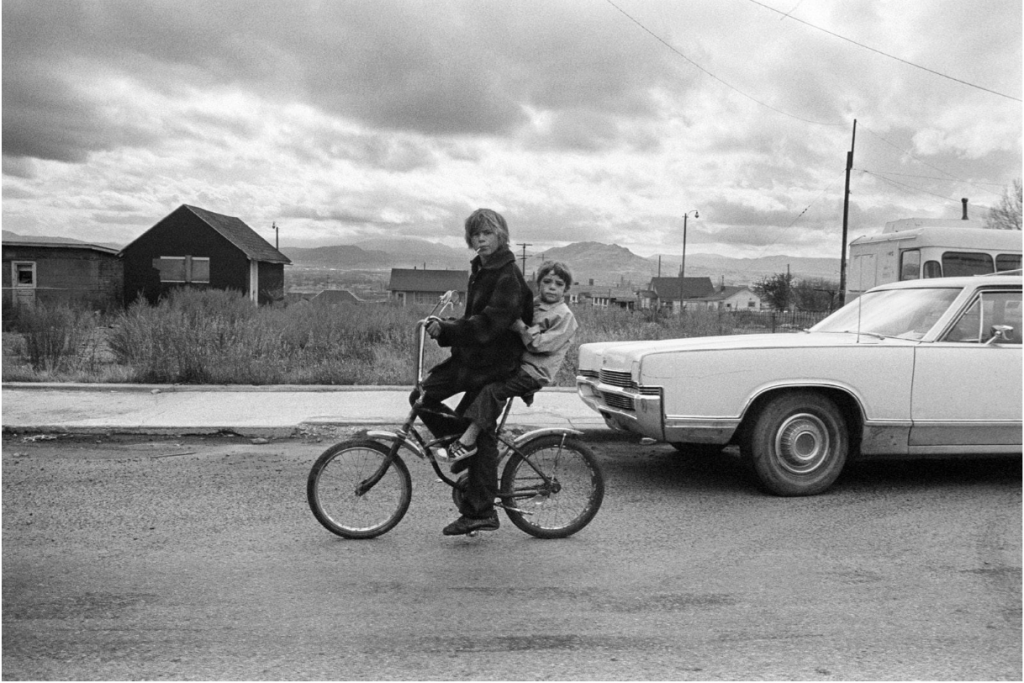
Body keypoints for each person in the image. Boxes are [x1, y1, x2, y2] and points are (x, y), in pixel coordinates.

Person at [411, 208, 532, 536]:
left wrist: (450, 331)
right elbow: (473, 320)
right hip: (471, 360)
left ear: (501, 235)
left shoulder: (507, 275)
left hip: (495, 366)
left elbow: (490, 323)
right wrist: (446, 330)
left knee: (481, 433)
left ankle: (481, 512)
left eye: (487, 233)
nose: (480, 239)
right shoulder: (480, 269)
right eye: (476, 234)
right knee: (421, 396)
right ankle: (467, 456)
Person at [443, 261, 578, 470]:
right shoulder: (533, 304)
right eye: (547, 281)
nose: (552, 287)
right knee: (477, 385)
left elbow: (542, 345)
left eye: (558, 284)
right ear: (538, 284)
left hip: (533, 372)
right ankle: (471, 451)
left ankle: (467, 442)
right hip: (517, 365)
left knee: (492, 392)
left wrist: (522, 328)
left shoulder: (564, 316)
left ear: (566, 289)